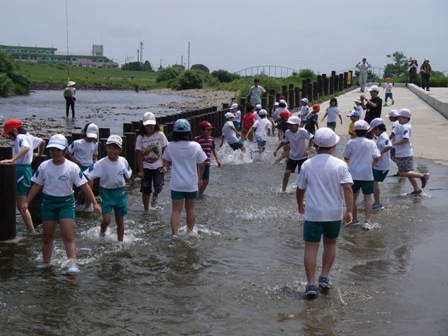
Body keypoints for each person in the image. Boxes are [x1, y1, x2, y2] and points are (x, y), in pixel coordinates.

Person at [22, 134, 101, 273]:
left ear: (65, 150)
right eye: (52, 150)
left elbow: (84, 186)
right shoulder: (44, 166)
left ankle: (72, 263)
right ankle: (46, 262)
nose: (55, 153)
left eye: (58, 150)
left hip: (66, 203)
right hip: (48, 203)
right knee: (47, 236)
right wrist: (26, 202)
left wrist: (94, 203)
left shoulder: (72, 167)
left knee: (67, 235)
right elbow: (36, 185)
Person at [296, 127, 354, 299]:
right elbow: (348, 188)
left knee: (311, 248)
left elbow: (300, 189)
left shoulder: (307, 164)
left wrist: (300, 204)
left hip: (313, 213)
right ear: (334, 145)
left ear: (314, 145)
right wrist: (349, 211)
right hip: (333, 214)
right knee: (330, 245)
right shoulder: (341, 165)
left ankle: (310, 284)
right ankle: (324, 277)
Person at [162, 119, 207, 237]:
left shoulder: (170, 146)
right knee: (190, 209)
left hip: (176, 183)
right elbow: (202, 164)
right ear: (189, 132)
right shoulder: (195, 146)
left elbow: (167, 160)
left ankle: (175, 235)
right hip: (191, 183)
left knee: (176, 210)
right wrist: (199, 178)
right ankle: (190, 231)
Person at [84, 135, 133, 241]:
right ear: (106, 148)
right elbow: (86, 174)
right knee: (106, 220)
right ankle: (102, 231)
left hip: (119, 192)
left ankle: (120, 241)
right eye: (110, 148)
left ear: (120, 150)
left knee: (120, 220)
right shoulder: (101, 163)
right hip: (106, 193)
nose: (112, 151)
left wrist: (132, 182)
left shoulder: (123, 161)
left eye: (115, 148)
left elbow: (129, 173)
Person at [0, 119, 42, 235]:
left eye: (8, 134)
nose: (9, 137)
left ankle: (31, 231)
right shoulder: (29, 136)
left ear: (14, 130)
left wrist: (12, 159)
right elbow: (42, 142)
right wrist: (38, 154)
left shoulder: (19, 138)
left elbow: (26, 148)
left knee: (21, 205)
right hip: (26, 169)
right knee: (20, 203)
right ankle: (31, 230)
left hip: (21, 171)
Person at [342, 120, 380, 230]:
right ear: (366, 131)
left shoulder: (351, 142)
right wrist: (371, 164)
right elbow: (377, 156)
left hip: (353, 175)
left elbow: (346, 157)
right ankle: (367, 221)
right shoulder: (371, 143)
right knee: (368, 198)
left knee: (353, 198)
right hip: (367, 174)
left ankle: (354, 219)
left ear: (355, 131)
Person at [391, 108, 429, 195]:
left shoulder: (405, 127)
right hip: (402, 153)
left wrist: (393, 143)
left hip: (405, 153)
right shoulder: (402, 125)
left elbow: (405, 139)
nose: (398, 119)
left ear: (405, 118)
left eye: (399, 117)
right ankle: (417, 189)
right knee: (409, 173)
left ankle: (423, 176)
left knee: (402, 173)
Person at [135, 112, 168, 211]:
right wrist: (141, 170)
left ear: (155, 124)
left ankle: (155, 195)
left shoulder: (160, 135)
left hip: (158, 165)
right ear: (143, 125)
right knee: (145, 190)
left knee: (159, 186)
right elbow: (139, 154)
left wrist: (165, 165)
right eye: (147, 125)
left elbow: (165, 149)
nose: (149, 127)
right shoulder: (140, 137)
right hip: (146, 167)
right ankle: (146, 210)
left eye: (151, 125)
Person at [273, 116, 314, 192]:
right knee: (286, 174)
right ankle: (283, 191)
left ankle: (304, 191)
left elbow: (311, 138)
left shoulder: (302, 131)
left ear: (297, 125)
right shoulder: (287, 132)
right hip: (292, 157)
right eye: (288, 124)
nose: (290, 126)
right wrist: (276, 149)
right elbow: (283, 141)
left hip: (303, 157)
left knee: (303, 176)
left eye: (292, 125)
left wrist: (308, 149)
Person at [66, 123, 99, 211]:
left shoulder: (95, 144)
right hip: (79, 167)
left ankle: (88, 207)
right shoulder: (77, 143)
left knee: (89, 188)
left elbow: (95, 155)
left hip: (90, 167)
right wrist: (75, 160)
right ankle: (78, 202)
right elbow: (68, 152)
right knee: (84, 188)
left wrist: (95, 162)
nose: (91, 138)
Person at [368, 119, 392, 211]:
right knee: (372, 182)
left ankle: (377, 203)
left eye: (373, 130)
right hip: (378, 164)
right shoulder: (381, 136)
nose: (373, 132)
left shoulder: (384, 136)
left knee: (374, 183)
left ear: (377, 128)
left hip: (382, 165)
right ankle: (372, 201)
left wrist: (379, 153)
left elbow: (389, 145)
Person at [194, 121, 221, 199]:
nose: (210, 131)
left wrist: (217, 159)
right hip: (198, 164)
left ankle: (199, 194)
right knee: (198, 181)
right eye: (208, 129)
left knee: (206, 181)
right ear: (201, 130)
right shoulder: (197, 139)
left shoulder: (211, 139)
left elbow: (213, 150)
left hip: (207, 163)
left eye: (211, 129)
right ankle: (193, 194)